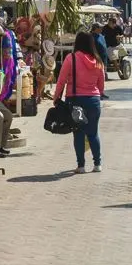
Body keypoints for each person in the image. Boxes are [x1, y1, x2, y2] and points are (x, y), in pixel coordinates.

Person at [54, 31, 105, 174]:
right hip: (94, 100)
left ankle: (81, 166)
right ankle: (97, 164)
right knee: (93, 133)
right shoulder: (98, 60)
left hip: (76, 101)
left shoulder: (71, 59)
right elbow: (101, 84)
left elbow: (61, 80)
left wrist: (56, 96)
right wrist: (97, 93)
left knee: (78, 133)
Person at [89, 23, 110, 98]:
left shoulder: (101, 36)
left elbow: (104, 46)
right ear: (95, 28)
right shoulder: (91, 37)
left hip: (103, 59)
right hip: (96, 60)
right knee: (95, 78)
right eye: (100, 28)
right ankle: (97, 93)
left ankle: (101, 92)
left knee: (102, 78)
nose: (101, 29)